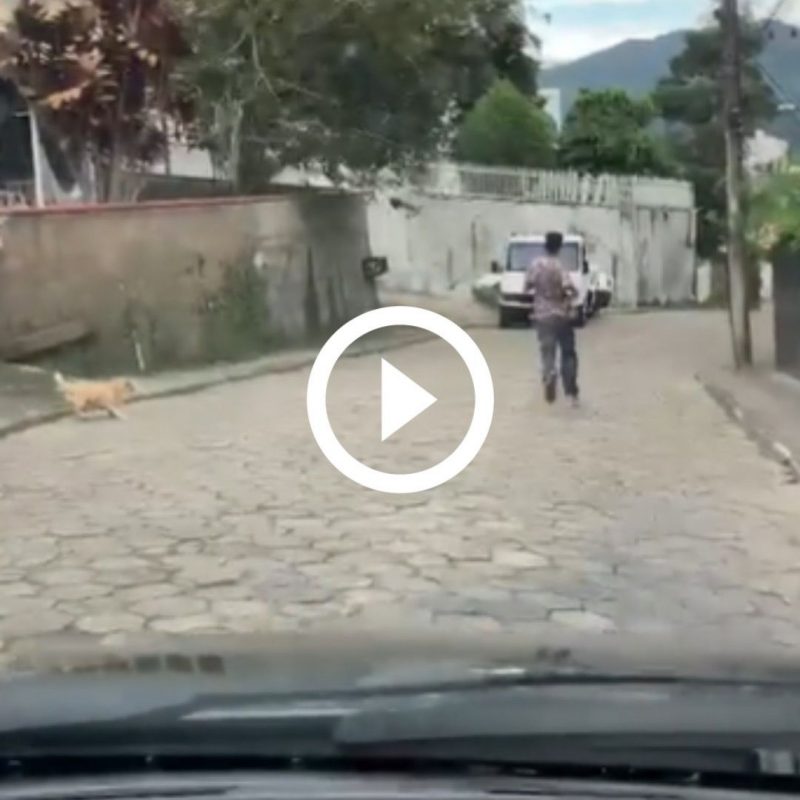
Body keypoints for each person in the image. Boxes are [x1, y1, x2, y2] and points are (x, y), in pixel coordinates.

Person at [524, 231, 580, 406]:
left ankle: (549, 374)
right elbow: (569, 289)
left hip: (542, 315)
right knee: (568, 353)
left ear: (545, 244)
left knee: (547, 351)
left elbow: (527, 287)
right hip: (561, 315)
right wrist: (570, 299)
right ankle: (571, 392)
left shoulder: (536, 265)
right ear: (560, 246)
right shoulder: (559, 267)